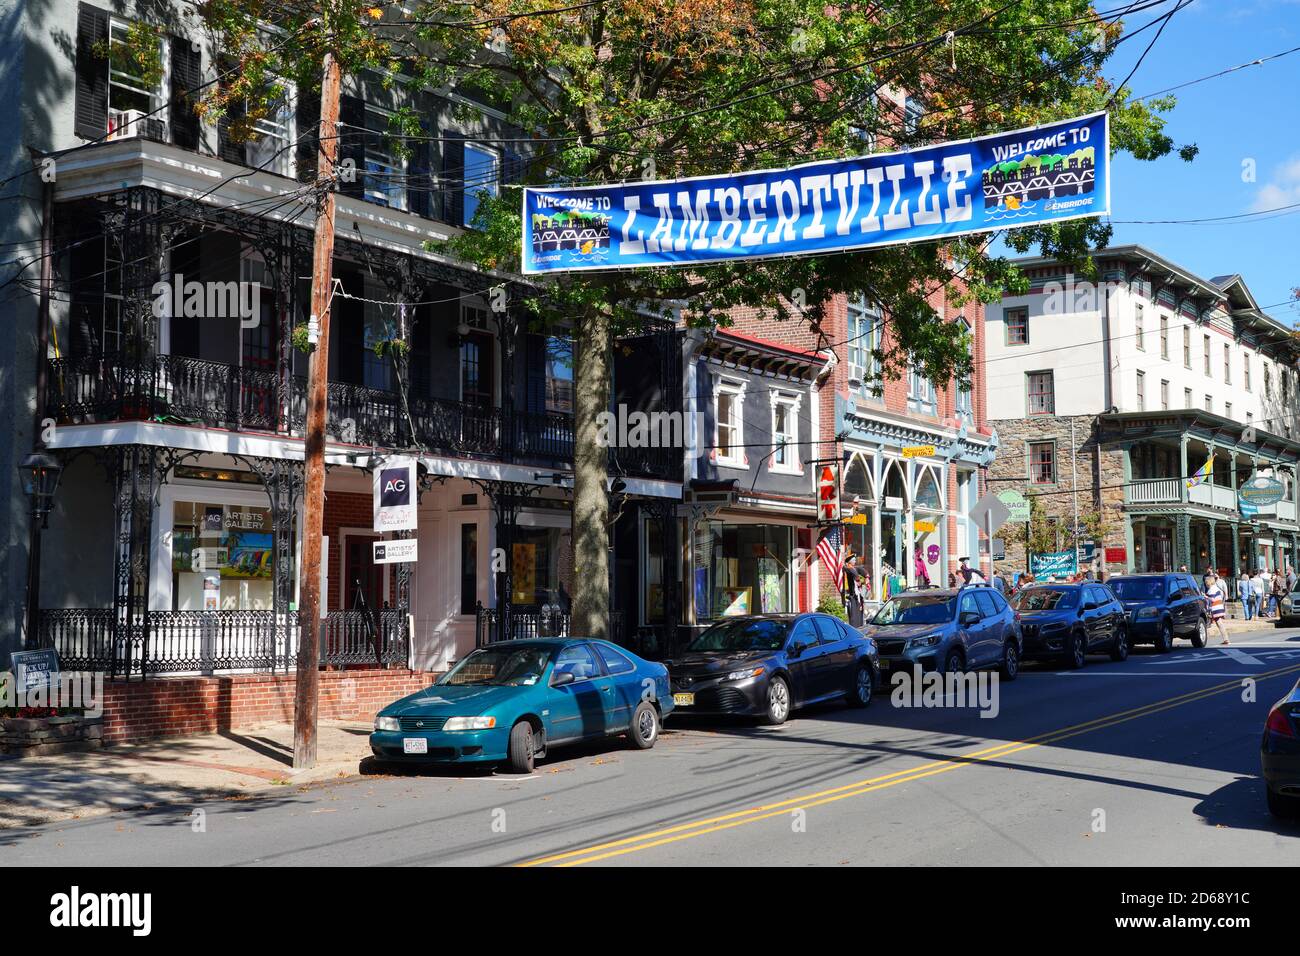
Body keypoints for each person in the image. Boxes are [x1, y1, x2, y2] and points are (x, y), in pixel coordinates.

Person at [1204, 573, 1229, 645]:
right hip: (1218, 608)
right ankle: (1225, 639)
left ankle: (1226, 639)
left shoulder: (1212, 589)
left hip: (1215, 609)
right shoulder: (1215, 588)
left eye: (1206, 582)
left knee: (1219, 624)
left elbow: (1212, 599)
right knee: (1219, 624)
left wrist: (1205, 596)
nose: (1206, 584)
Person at [842, 553, 865, 627]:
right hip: (853, 597)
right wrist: (858, 580)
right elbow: (854, 574)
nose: (855, 561)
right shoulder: (848, 569)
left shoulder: (853, 568)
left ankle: (859, 628)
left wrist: (866, 577)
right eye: (854, 560)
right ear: (850, 562)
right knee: (854, 617)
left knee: (859, 616)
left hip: (857, 596)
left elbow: (860, 570)